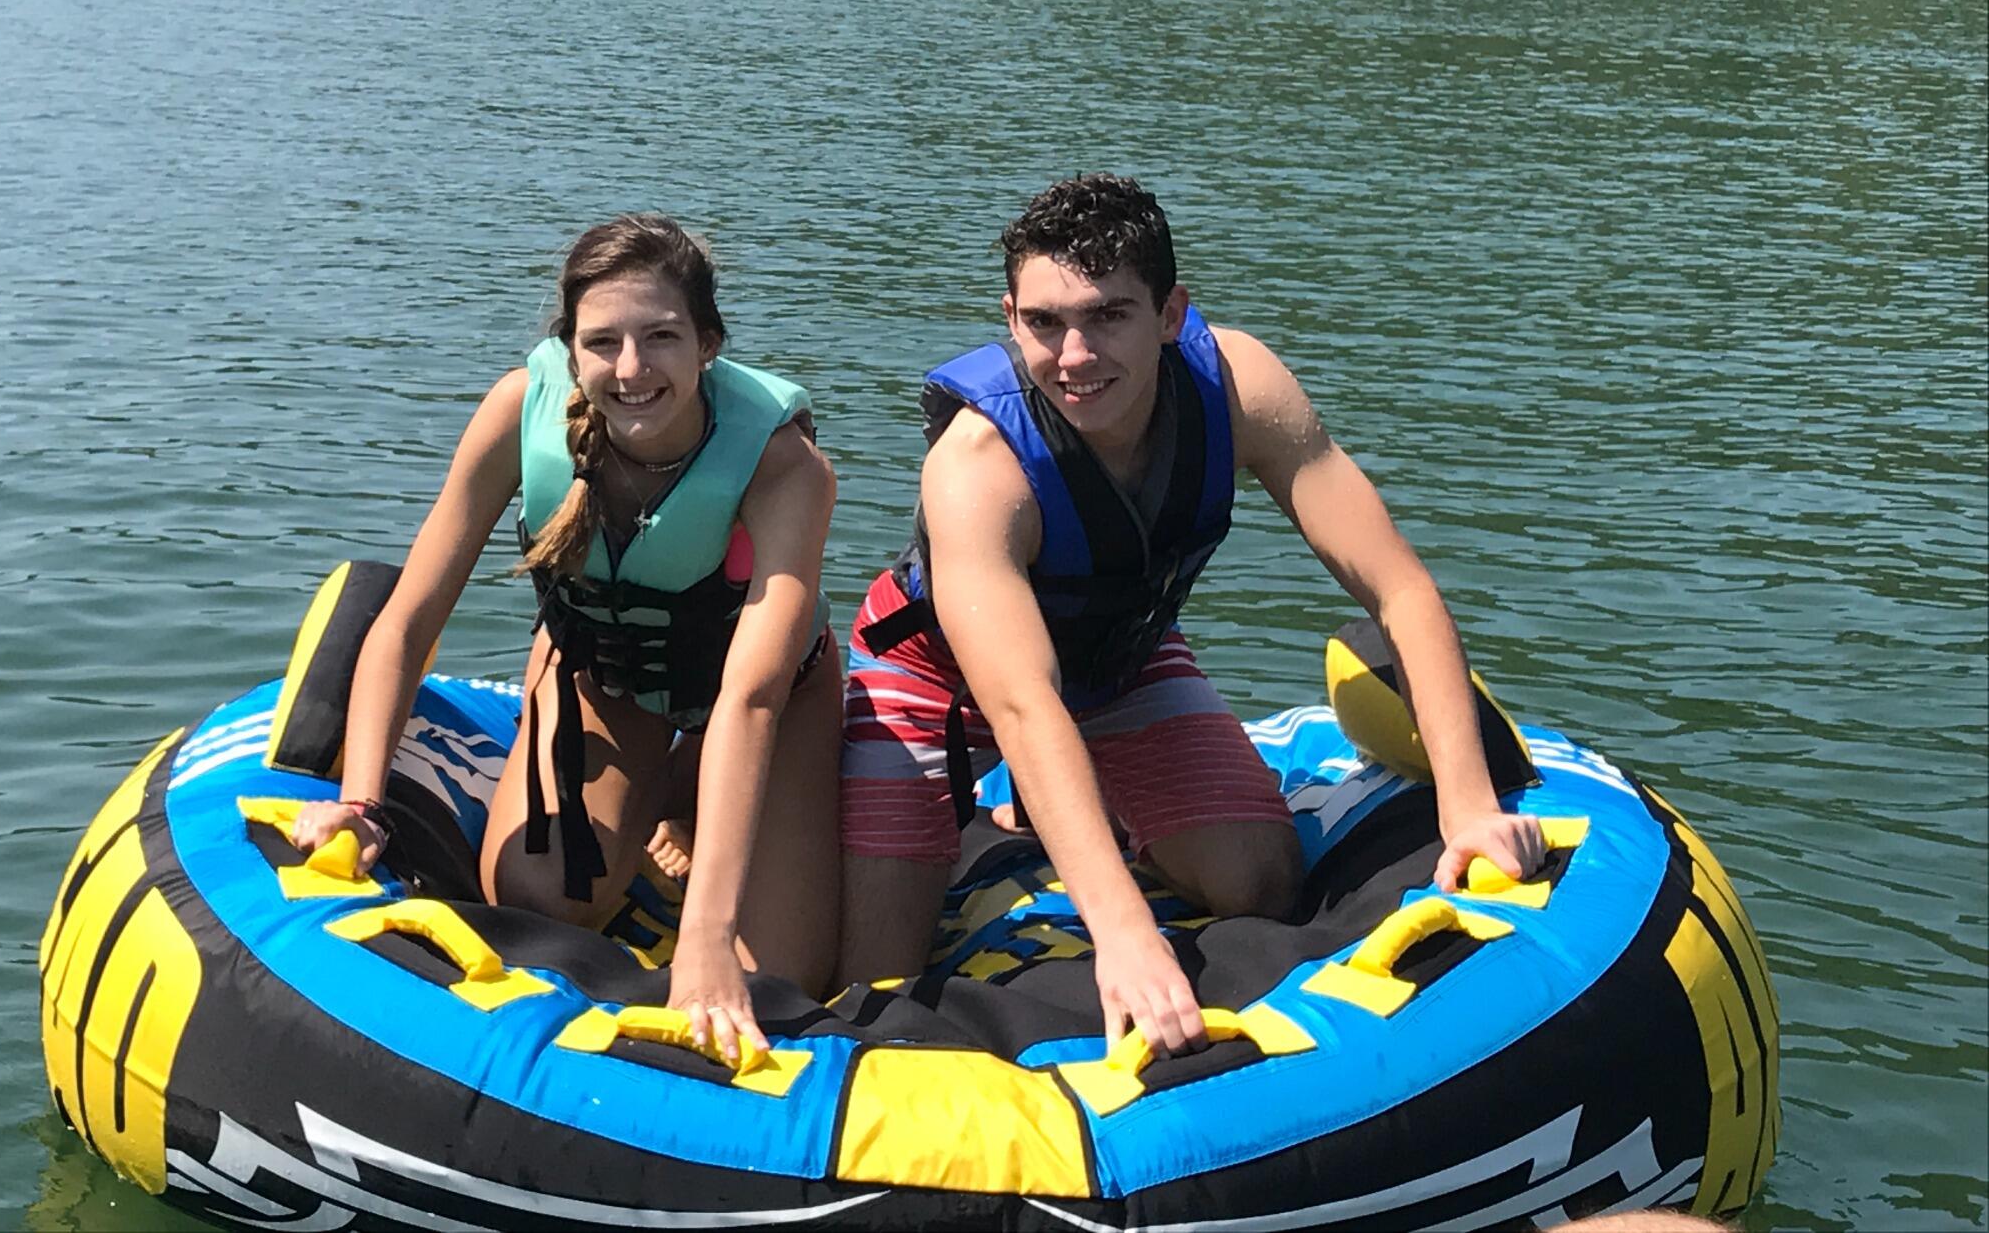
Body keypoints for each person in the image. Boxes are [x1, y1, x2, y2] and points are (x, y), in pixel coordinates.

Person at [834, 174, 1544, 1060]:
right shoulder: (978, 466)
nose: (1075, 355)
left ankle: (1086, 801)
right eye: (1044, 322)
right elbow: (1022, 703)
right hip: (939, 681)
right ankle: (1009, 801)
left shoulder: (1241, 388)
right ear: (1009, 317)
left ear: (1171, 314)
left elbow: (1396, 587)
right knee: (872, 980)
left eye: (1108, 315)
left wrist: (1468, 807)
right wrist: (1127, 936)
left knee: (1260, 876)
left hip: (1119, 662)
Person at [290, 215, 839, 1063]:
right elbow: (409, 618)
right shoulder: (522, 407)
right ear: (570, 349)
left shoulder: (781, 465)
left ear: (709, 345)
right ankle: (648, 778)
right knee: (537, 895)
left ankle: (686, 790)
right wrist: (363, 806)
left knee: (778, 975)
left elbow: (753, 695)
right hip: (610, 678)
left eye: (661, 337)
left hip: (768, 697)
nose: (631, 369)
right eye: (603, 342)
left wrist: (705, 931)